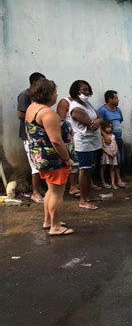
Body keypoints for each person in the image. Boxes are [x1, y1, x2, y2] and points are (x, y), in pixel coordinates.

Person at [25, 79, 74, 235]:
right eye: (54, 92)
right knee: (56, 193)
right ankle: (56, 226)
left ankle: (48, 221)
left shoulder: (32, 108)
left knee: (50, 190)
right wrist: (67, 159)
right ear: (48, 95)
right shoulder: (47, 113)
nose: (56, 95)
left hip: (40, 155)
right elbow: (56, 141)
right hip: (54, 158)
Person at [69, 80, 102, 210]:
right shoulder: (76, 108)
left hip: (93, 142)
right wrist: (96, 122)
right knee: (84, 170)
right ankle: (83, 200)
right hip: (84, 143)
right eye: (84, 90)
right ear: (76, 91)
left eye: (88, 89)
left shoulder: (87, 103)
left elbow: (99, 118)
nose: (87, 92)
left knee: (90, 169)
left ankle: (88, 196)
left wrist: (97, 121)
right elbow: (91, 125)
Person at [17, 72, 46, 203]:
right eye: (42, 81)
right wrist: (36, 116)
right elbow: (20, 114)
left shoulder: (38, 96)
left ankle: (41, 189)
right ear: (34, 82)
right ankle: (35, 192)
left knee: (41, 163)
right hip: (29, 136)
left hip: (39, 135)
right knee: (35, 164)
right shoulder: (25, 95)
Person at [97, 90, 126, 187]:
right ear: (109, 99)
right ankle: (115, 180)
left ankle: (117, 179)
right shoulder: (102, 110)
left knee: (120, 160)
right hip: (109, 141)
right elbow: (98, 125)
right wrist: (105, 135)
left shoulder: (118, 110)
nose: (118, 100)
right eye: (116, 98)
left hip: (118, 138)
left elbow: (120, 121)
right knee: (110, 162)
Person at [56, 95, 80, 197]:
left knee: (77, 163)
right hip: (69, 138)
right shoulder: (65, 102)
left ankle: (75, 185)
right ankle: (72, 187)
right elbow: (60, 121)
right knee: (72, 162)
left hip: (79, 137)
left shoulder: (82, 103)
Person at [99, 121, 118, 189]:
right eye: (107, 127)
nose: (109, 129)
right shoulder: (102, 137)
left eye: (110, 127)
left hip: (113, 154)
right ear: (104, 128)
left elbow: (115, 144)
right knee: (103, 167)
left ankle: (113, 183)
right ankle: (103, 182)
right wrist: (108, 153)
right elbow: (101, 146)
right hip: (106, 154)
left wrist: (115, 152)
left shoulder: (113, 136)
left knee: (112, 168)